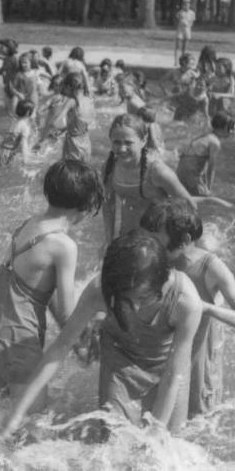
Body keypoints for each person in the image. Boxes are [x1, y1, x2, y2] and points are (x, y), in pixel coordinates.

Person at [2, 231, 202, 436]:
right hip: (121, 360)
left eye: (142, 297)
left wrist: (156, 433)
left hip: (167, 368)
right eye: (125, 298)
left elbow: (172, 375)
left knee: (168, 443)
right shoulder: (101, 289)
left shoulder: (186, 302)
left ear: (161, 282)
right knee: (114, 439)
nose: (133, 306)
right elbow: (61, 347)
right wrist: (19, 411)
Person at [0, 160, 104, 400]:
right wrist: (86, 339)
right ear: (87, 205)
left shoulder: (30, 223)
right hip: (15, 338)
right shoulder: (63, 245)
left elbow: (46, 291)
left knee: (3, 409)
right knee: (30, 424)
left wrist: (75, 345)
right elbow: (66, 313)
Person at [140, 199, 235, 417]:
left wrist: (206, 308)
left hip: (197, 360)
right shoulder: (153, 260)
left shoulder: (210, 267)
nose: (147, 246)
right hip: (161, 353)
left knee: (197, 420)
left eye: (155, 239)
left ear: (184, 240)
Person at [102, 114, 195, 246]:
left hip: (158, 240)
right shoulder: (109, 167)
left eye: (128, 143)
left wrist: (183, 246)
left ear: (143, 140)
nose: (122, 149)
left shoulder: (157, 172)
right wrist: (108, 240)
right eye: (116, 142)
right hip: (127, 235)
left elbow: (190, 206)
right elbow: (108, 205)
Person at [176, 112, 234, 196]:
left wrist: (204, 184)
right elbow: (211, 168)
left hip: (180, 171)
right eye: (230, 128)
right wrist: (209, 189)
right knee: (206, 198)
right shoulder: (215, 142)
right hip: (190, 173)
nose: (232, 132)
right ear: (224, 128)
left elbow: (197, 163)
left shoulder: (206, 135)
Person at [0, 100, 35, 168]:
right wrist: (25, 159)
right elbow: (24, 143)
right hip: (7, 154)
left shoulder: (15, 121)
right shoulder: (24, 125)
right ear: (28, 113)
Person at [175, 0, 196, 65]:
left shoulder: (192, 13)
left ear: (189, 5)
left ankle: (183, 60)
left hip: (187, 29)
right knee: (178, 45)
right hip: (180, 29)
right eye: (184, 4)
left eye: (187, 4)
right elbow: (177, 19)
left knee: (185, 46)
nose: (186, 5)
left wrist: (188, 26)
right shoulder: (180, 12)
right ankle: (176, 60)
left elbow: (192, 22)